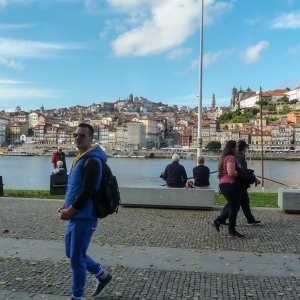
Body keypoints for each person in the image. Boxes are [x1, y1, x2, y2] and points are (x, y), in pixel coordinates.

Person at [58, 123, 114, 300]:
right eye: (76, 135)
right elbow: (74, 189)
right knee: (71, 252)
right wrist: (65, 206)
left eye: (82, 135)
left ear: (91, 138)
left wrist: (70, 211)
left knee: (76, 259)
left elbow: (87, 192)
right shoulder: (80, 157)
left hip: (85, 216)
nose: (78, 138)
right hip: (75, 214)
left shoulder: (93, 161)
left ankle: (77, 297)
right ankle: (102, 275)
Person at [212, 140, 245, 239]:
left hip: (225, 184)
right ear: (232, 148)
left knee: (233, 206)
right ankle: (232, 231)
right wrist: (242, 173)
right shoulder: (230, 158)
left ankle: (218, 221)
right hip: (230, 184)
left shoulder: (224, 158)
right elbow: (231, 173)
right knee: (234, 207)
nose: (237, 149)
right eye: (236, 147)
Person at [233, 140, 262, 225]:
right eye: (246, 147)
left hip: (239, 183)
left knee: (244, 201)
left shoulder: (236, 156)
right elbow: (244, 172)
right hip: (240, 184)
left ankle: (250, 219)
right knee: (235, 203)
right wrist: (254, 180)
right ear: (244, 148)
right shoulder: (241, 158)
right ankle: (220, 219)